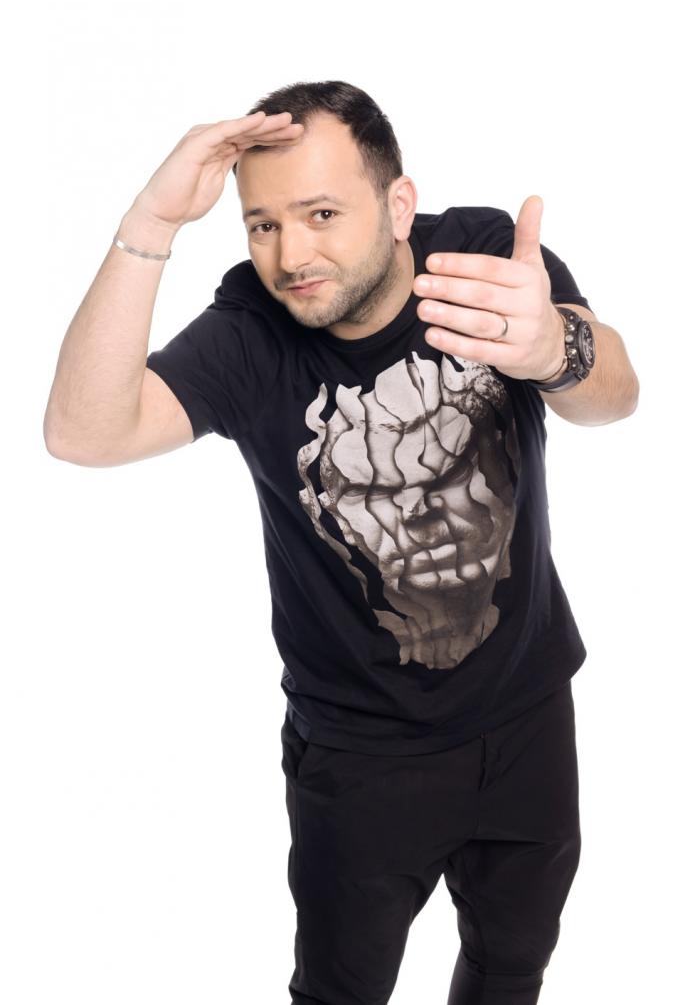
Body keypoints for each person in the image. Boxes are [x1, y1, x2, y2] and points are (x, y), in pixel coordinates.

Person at [44, 80, 639, 1005]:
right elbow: (83, 431)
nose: (292, 255)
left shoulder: (481, 260)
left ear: (398, 206)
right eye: (263, 224)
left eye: (322, 213)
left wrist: (553, 348)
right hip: (362, 759)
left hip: (529, 715)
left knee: (513, 964)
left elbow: (616, 394)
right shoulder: (252, 335)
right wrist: (149, 222)